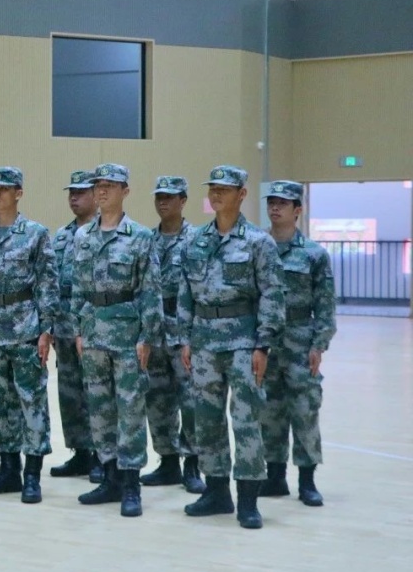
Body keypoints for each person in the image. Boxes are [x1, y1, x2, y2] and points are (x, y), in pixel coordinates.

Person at [177, 165, 285, 529]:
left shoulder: (258, 242)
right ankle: (217, 491)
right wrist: (185, 338)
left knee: (246, 420)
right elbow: (185, 293)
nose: (216, 194)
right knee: (206, 419)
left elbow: (272, 294)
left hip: (243, 342)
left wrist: (263, 344)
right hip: (204, 342)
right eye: (213, 188)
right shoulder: (196, 240)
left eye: (224, 189)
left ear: (242, 194)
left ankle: (248, 500)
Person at [70, 163, 162, 518]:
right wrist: (79, 329)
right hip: (93, 332)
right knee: (99, 409)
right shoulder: (83, 236)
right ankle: (109, 478)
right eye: (99, 185)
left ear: (126, 190)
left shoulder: (140, 236)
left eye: (111, 184)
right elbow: (77, 287)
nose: (103, 190)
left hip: (127, 336)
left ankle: (130, 484)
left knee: (130, 410)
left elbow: (150, 290)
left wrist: (147, 336)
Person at [0, 166, 56, 504]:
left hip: (24, 330)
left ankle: (32, 475)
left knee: (31, 402)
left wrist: (46, 330)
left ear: (18, 193)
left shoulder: (35, 234)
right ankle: (8, 469)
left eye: (2, 189)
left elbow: (47, 284)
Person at [260, 180, 336, 507]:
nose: (275, 208)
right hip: (266, 341)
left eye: (283, 203)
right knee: (268, 411)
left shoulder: (313, 254)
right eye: (272, 202)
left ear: (298, 210)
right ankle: (275, 477)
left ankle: (307, 480)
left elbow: (326, 305)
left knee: (304, 410)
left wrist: (319, 344)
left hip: (300, 341)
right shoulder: (257, 247)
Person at [141, 176, 205, 493]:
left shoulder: (197, 240)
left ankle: (192, 463)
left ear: (183, 200)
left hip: (183, 329)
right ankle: (167, 462)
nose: (163, 202)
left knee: (190, 399)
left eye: (169, 197)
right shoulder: (147, 240)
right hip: (154, 328)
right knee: (157, 399)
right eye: (159, 197)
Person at [47, 170, 102, 483]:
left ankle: (101, 455)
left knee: (96, 392)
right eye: (71, 192)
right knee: (69, 393)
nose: (74, 197)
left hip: (94, 326)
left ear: (96, 195)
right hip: (64, 326)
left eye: (80, 192)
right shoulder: (61, 236)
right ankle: (80, 452)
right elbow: (52, 282)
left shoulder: (103, 232)